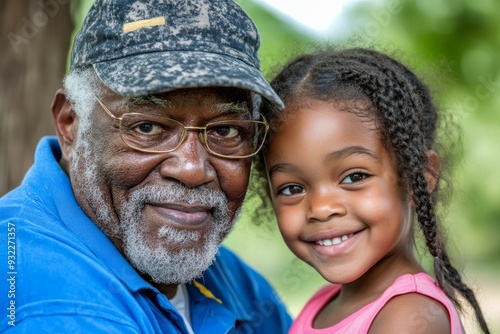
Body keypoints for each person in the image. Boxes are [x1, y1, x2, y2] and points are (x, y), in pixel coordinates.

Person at [0, 0, 292, 332]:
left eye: (226, 131)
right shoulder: (50, 305)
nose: (192, 169)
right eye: (147, 127)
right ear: (70, 123)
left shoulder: (233, 283)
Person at [256, 47, 490, 333]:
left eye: (354, 177)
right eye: (292, 188)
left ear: (419, 176)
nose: (320, 207)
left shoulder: (410, 316)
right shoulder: (323, 303)